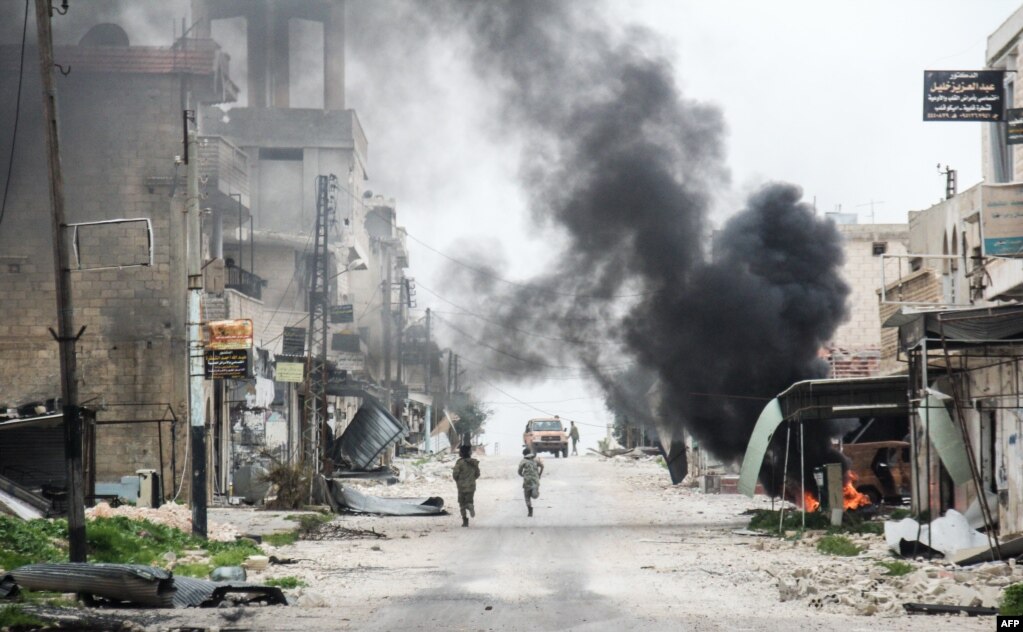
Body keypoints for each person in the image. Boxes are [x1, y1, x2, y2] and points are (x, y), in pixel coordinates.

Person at [452, 444, 480, 527]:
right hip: (471, 486)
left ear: (461, 453)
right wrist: (472, 479)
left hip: (461, 487)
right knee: (469, 500)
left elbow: (455, 474)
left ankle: (465, 521)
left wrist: (458, 480)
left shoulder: (459, 463)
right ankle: (470, 506)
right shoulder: (474, 463)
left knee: (461, 504)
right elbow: (477, 474)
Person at [518, 447, 544, 517]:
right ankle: (535, 492)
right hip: (535, 481)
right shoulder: (536, 459)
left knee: (527, 497)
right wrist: (539, 475)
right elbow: (542, 466)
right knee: (535, 495)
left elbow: (519, 471)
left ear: (524, 454)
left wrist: (523, 475)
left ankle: (530, 509)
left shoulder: (523, 461)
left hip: (527, 481)